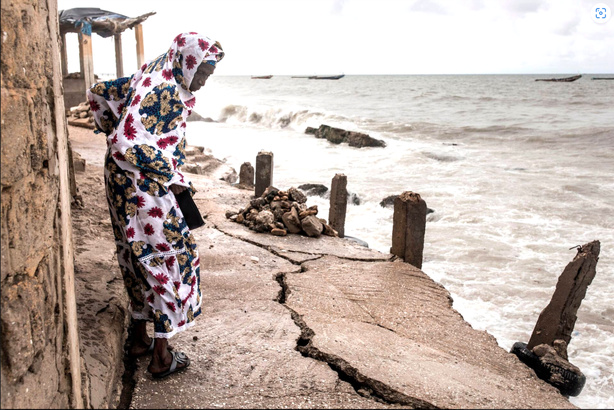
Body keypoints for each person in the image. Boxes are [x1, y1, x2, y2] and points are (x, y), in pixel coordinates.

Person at [87, 32, 224, 378]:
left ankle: (138, 339)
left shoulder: (157, 71)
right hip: (141, 183)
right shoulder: (162, 90)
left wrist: (107, 123)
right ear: (189, 62)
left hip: (123, 181)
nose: (204, 82)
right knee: (171, 258)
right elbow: (123, 141)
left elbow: (101, 92)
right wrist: (173, 173)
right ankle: (162, 357)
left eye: (209, 75)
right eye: (203, 73)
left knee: (137, 256)